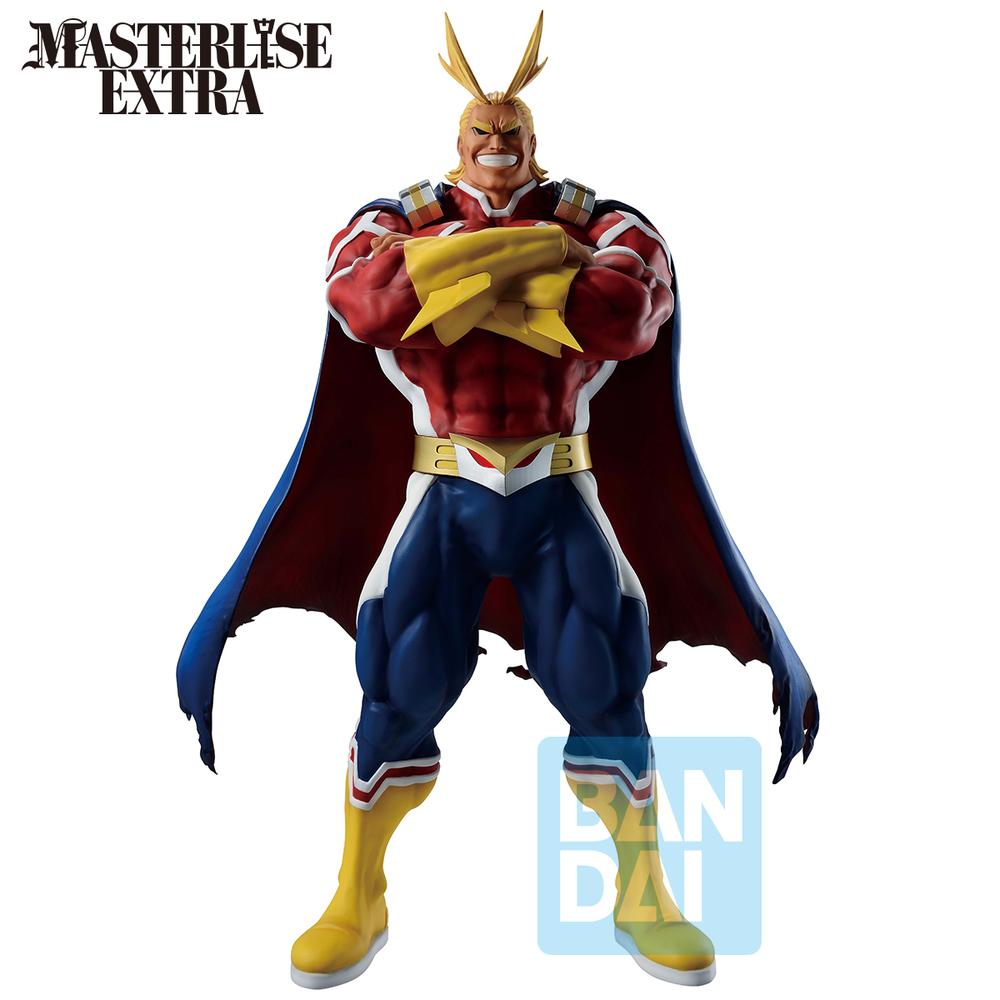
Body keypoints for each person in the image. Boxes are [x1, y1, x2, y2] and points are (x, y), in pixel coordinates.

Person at [178, 12, 818, 989]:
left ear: (532, 135)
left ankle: (642, 890)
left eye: (509, 131)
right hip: (447, 483)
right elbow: (368, 303)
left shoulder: (606, 218)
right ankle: (357, 892)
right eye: (480, 131)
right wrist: (537, 265)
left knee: (606, 681)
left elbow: (622, 312)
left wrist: (456, 284)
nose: (495, 144)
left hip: (559, 484)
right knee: (395, 683)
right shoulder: (396, 216)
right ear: (459, 137)